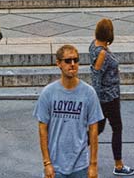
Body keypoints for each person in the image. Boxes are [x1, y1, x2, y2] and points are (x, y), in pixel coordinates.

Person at [37, 44, 104, 178]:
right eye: (68, 61)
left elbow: (93, 130)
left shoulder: (89, 93)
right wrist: (47, 163)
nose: (72, 64)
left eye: (76, 60)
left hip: (80, 165)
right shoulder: (48, 93)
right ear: (59, 64)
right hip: (56, 166)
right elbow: (42, 128)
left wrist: (93, 165)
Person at [86, 20, 129, 178]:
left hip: (105, 96)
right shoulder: (102, 53)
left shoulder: (94, 45)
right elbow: (97, 76)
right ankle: (118, 164)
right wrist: (95, 101)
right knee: (117, 128)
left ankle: (73, 152)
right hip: (108, 97)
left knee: (99, 128)